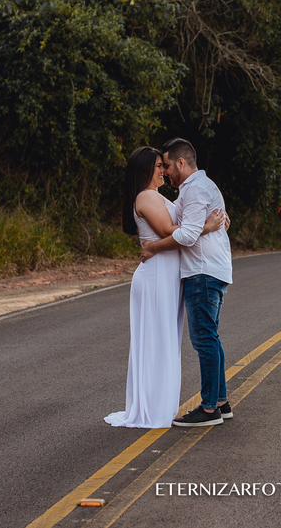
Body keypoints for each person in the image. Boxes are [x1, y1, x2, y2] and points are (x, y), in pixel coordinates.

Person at [104, 146, 225, 429]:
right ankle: (152, 407)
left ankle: (162, 403)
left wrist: (210, 222)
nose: (164, 171)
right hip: (156, 276)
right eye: (159, 166)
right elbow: (168, 231)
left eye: (164, 166)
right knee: (157, 342)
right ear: (146, 169)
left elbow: (184, 224)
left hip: (168, 274)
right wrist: (205, 227)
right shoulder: (145, 197)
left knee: (166, 341)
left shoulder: (158, 196)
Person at [140, 138, 232, 427]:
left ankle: (208, 410)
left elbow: (187, 235)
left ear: (181, 162)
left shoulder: (195, 190)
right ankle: (220, 402)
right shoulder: (199, 188)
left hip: (202, 271)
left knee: (204, 339)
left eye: (167, 165)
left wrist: (153, 247)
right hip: (211, 269)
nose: (165, 171)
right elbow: (181, 216)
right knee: (211, 337)